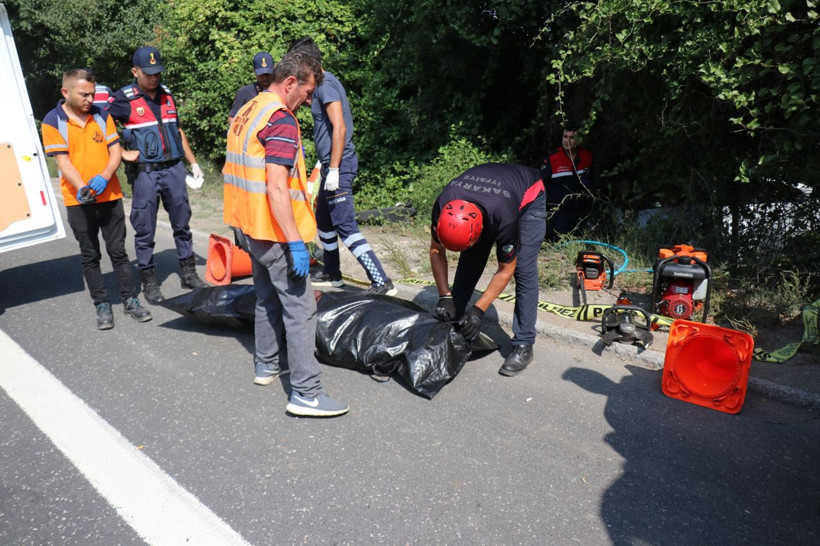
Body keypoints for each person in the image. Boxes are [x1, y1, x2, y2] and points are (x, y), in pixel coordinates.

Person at [223, 50, 349, 417]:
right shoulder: (280, 119)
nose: (309, 101)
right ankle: (306, 393)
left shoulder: (249, 109)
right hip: (273, 230)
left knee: (266, 297)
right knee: (300, 307)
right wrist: (295, 241)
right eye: (308, 93)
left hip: (247, 225)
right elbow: (277, 188)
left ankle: (266, 365)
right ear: (290, 82)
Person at [41, 69, 152, 329]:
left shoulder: (103, 115)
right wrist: (83, 187)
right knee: (90, 255)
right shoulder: (52, 121)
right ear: (65, 92)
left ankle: (130, 300)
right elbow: (63, 160)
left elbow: (115, 152)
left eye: (92, 93)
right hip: (78, 200)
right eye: (84, 94)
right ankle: (101, 304)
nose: (90, 99)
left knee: (118, 252)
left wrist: (104, 176)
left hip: (110, 195)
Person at [288, 36, 397, 296]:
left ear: (307, 63)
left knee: (345, 225)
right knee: (324, 221)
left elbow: (340, 127)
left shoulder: (326, 86)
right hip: (329, 164)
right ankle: (332, 273)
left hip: (340, 165)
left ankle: (382, 281)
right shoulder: (319, 87)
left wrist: (335, 168)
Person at [107, 46, 208, 304]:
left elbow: (178, 131)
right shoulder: (123, 99)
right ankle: (150, 282)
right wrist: (120, 152)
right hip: (146, 174)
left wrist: (193, 162)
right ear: (135, 71)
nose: (154, 78)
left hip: (174, 170)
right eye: (149, 73)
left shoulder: (168, 96)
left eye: (158, 73)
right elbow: (100, 130)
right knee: (145, 230)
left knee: (182, 224)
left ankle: (188, 273)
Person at [430, 163, 546, 376]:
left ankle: (524, 344)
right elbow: (436, 251)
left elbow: (505, 269)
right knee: (471, 259)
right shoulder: (443, 205)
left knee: (523, 269)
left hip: (528, 194)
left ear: (480, 230)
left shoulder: (505, 218)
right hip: (492, 194)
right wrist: (444, 296)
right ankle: (454, 317)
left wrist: (478, 311)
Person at [539, 124, 593, 241]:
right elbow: (541, 185)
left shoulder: (587, 157)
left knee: (579, 246)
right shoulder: (552, 159)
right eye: (565, 137)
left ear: (578, 140)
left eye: (571, 138)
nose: (567, 141)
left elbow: (594, 181)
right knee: (558, 247)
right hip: (559, 214)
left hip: (581, 213)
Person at [227, 51, 275, 127]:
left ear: (274, 69)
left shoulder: (281, 91)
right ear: (254, 72)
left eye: (268, 74)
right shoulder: (244, 93)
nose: (265, 78)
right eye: (261, 75)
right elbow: (232, 118)